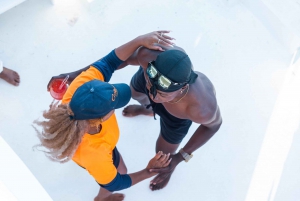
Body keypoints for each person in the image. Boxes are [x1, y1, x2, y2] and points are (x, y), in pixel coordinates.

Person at [35, 31, 175, 201]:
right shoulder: (96, 154)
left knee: (116, 168)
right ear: (99, 120)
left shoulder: (81, 88)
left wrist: (139, 40)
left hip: (99, 145)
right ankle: (100, 199)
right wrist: (148, 170)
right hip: (96, 154)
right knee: (120, 171)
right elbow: (116, 183)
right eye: (113, 105)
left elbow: (109, 62)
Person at [119, 43, 223, 191]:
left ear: (183, 88)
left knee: (163, 155)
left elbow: (214, 126)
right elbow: (120, 59)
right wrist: (84, 75)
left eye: (161, 94)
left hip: (177, 117)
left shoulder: (201, 108)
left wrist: (179, 158)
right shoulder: (147, 56)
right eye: (150, 85)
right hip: (155, 82)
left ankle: (169, 169)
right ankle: (147, 109)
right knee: (135, 93)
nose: (153, 95)